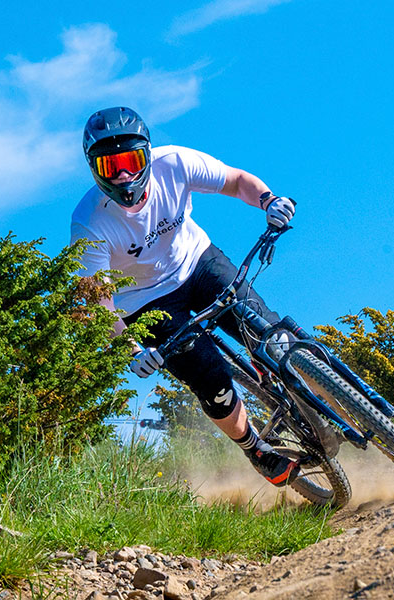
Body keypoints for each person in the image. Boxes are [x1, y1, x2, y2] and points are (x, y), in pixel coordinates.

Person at [70, 106, 299, 486]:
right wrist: (130, 349)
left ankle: (298, 379)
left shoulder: (175, 163)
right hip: (145, 302)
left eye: (131, 160)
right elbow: (96, 299)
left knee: (267, 330)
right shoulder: (89, 221)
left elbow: (237, 180)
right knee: (211, 379)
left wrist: (268, 201)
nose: (124, 174)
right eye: (112, 167)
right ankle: (255, 447)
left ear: (147, 154)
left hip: (196, 262)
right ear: (95, 170)